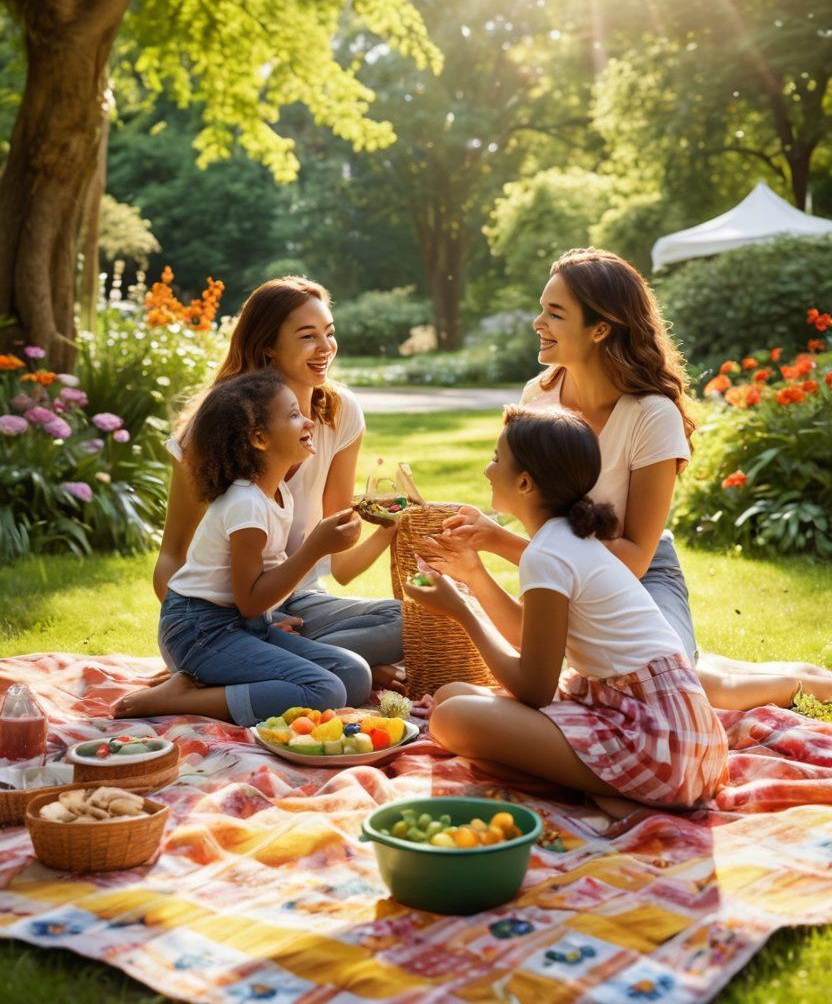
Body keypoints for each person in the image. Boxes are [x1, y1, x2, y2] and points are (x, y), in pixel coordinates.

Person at [430, 248, 832, 709]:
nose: (538, 323)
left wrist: (499, 541)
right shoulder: (538, 397)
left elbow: (636, 558)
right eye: (542, 309)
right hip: (564, 566)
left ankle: (812, 684)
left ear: (600, 328)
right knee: (645, 678)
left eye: (555, 313)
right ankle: (705, 658)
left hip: (641, 573)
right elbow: (538, 517)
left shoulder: (651, 415)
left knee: (691, 691)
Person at [405, 405, 728, 807]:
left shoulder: (549, 553)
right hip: (661, 724)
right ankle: (594, 778)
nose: (488, 470)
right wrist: (473, 576)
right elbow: (529, 636)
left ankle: (600, 787)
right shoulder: (564, 539)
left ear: (524, 483)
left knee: (450, 719)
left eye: (495, 459)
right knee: (452, 695)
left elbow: (534, 689)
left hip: (660, 743)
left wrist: (462, 610)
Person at [152, 276, 403, 690]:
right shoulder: (216, 432)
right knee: (349, 675)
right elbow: (173, 556)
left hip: (300, 602)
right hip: (220, 619)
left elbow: (340, 566)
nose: (326, 348)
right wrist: (218, 631)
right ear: (267, 346)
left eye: (329, 332)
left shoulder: (339, 413)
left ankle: (294, 662)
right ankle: (266, 662)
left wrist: (391, 531)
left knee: (405, 621)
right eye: (308, 336)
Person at [114, 370, 372, 723]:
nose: (308, 421)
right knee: (325, 691)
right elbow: (249, 598)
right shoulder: (246, 504)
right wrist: (314, 547)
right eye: (294, 415)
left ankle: (214, 682)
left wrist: (267, 621)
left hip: (240, 623)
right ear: (260, 438)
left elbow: (254, 596)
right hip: (198, 630)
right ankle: (186, 697)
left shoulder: (276, 494)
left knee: (355, 675)